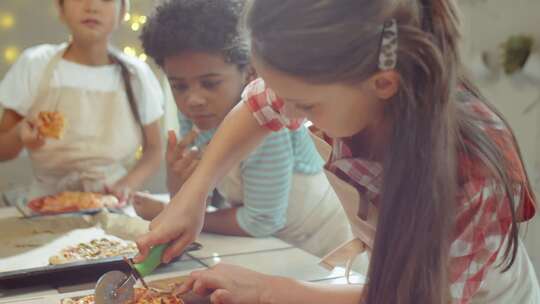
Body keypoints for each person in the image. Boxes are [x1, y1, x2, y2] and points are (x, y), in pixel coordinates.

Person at [136, 0, 540, 303]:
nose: (287, 113)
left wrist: (273, 290)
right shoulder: (344, 87)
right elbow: (258, 109)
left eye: (306, 106)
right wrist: (195, 193)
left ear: (383, 84)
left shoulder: (473, 175)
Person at [133, 0, 352, 258]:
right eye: (179, 86)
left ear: (249, 73)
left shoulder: (272, 126)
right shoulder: (195, 118)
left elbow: (260, 221)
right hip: (265, 246)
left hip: (319, 244)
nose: (193, 99)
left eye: (210, 83)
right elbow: (191, 198)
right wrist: (180, 187)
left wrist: (172, 210)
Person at [0, 0, 163, 202]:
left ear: (122, 12)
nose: (92, 6)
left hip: (111, 202)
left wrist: (127, 184)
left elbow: (155, 149)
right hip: (46, 205)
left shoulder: (137, 75)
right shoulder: (35, 64)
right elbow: (3, 150)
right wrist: (20, 134)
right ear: (60, 8)